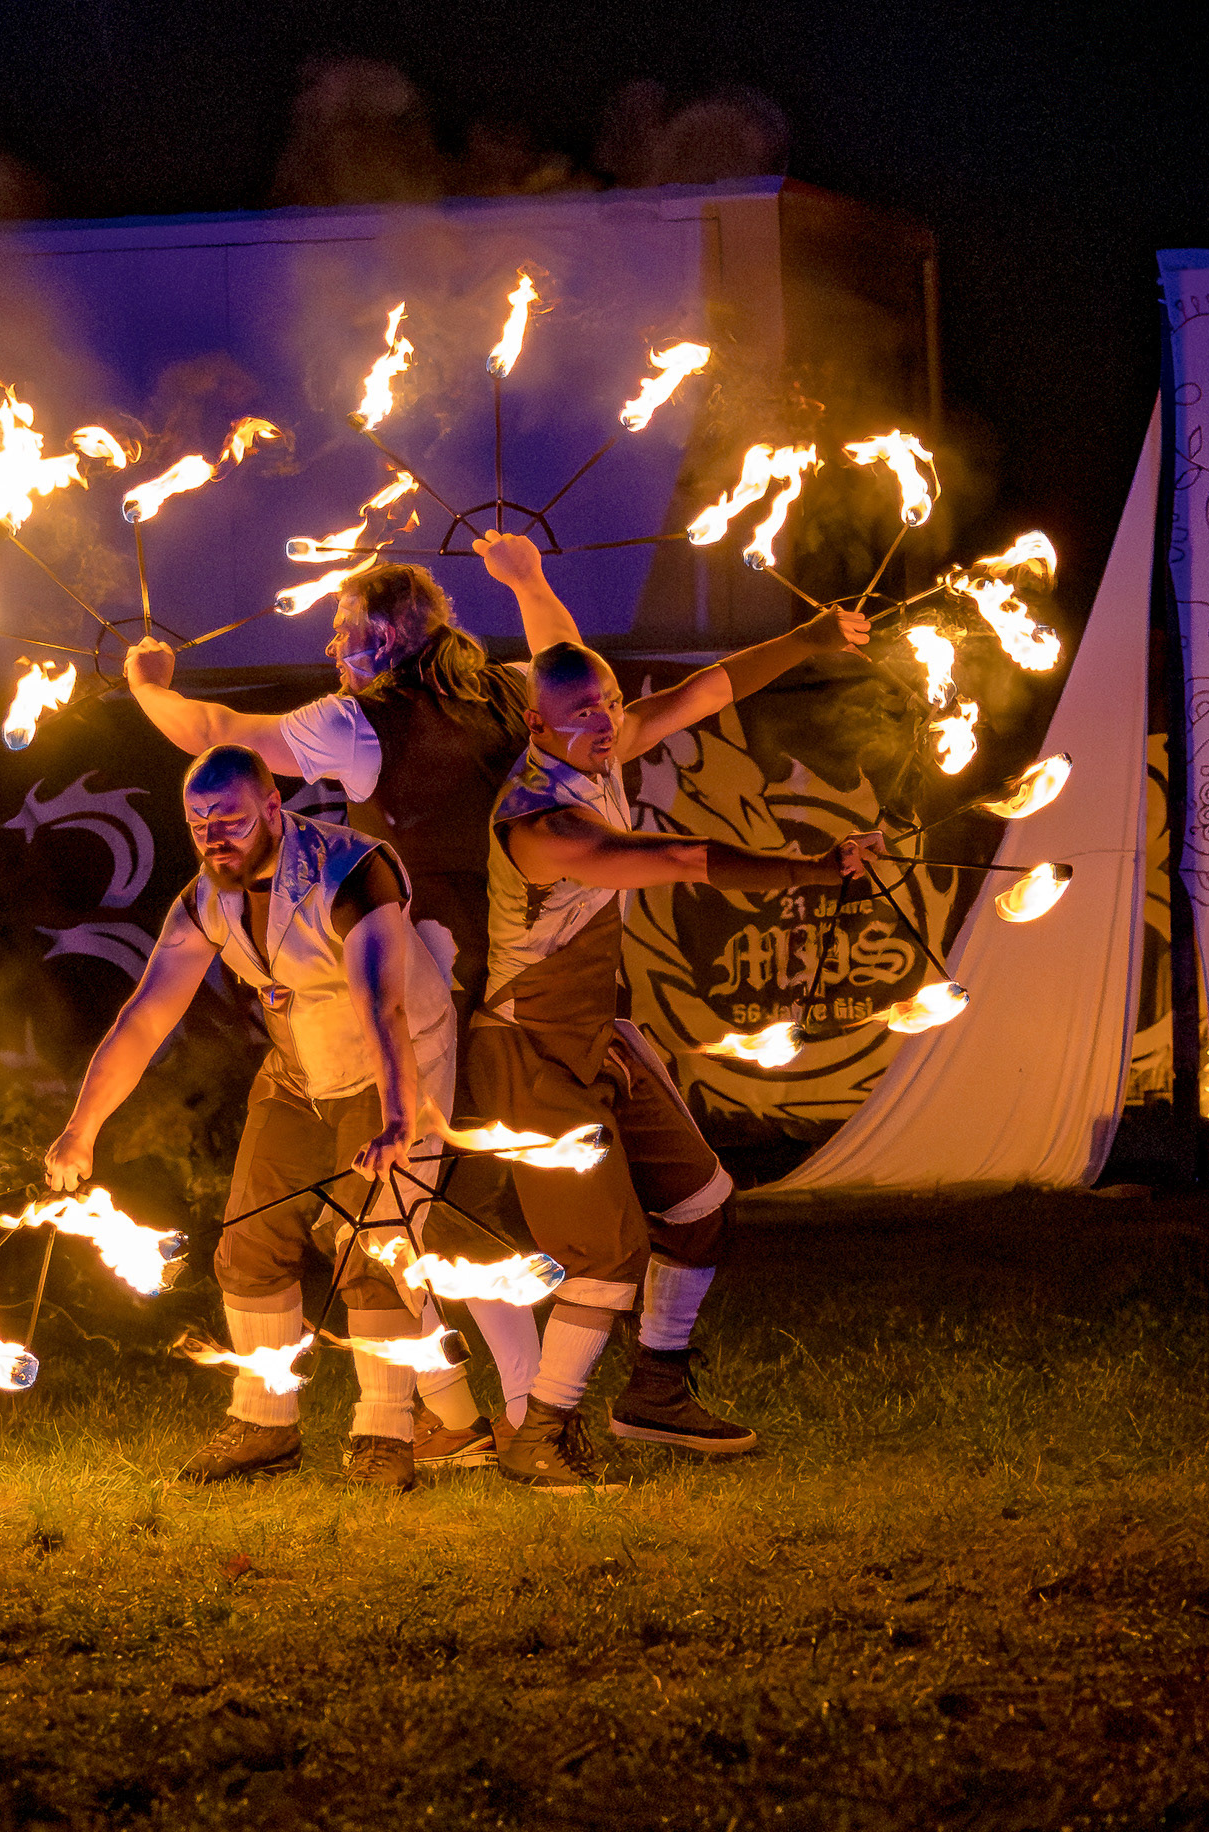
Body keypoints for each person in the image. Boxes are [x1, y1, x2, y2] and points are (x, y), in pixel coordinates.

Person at [119, 536, 575, 1462]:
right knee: (424, 1211)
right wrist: (530, 582)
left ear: (383, 640)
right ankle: (469, 1420)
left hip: (431, 976)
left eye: (343, 632)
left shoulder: (359, 724)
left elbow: (214, 735)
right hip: (517, 963)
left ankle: (514, 1419)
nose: (333, 649)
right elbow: (571, 666)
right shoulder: (505, 691)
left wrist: (146, 687)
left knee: (407, 1219)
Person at [476, 624, 880, 1494]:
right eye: (582, 713)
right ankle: (539, 1434)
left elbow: (712, 686)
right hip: (528, 1052)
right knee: (604, 1253)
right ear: (537, 726)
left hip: (597, 1035)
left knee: (702, 1205)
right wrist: (811, 872)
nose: (605, 723)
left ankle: (655, 1392)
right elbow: (681, 858)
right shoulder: (540, 822)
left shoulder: (603, 750)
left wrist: (815, 636)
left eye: (612, 705)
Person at [45, 744, 457, 1492]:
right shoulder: (204, 899)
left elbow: (384, 1006)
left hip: (392, 1065)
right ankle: (266, 1426)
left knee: (373, 1246)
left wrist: (400, 1118)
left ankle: (385, 1435)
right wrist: (82, 1130)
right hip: (298, 1073)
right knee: (248, 1243)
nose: (213, 837)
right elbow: (145, 1017)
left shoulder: (352, 871)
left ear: (273, 808)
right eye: (198, 822)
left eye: (229, 819)